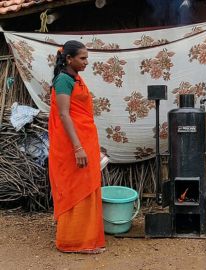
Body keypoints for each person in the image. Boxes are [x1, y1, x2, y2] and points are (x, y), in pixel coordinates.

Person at [48, 40, 105, 254]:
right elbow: (64, 114)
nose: (86, 62)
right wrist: (78, 148)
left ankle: (87, 238)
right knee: (75, 188)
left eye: (86, 57)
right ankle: (72, 241)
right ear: (69, 59)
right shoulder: (63, 80)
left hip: (85, 140)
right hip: (73, 144)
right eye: (82, 58)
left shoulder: (75, 78)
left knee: (88, 185)